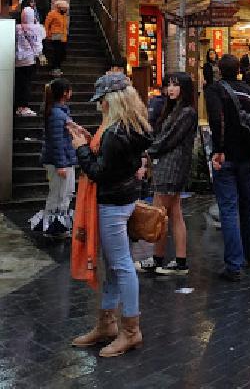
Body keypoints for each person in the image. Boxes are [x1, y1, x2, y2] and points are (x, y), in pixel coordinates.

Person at [68, 73, 152, 357]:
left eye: (102, 100)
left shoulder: (115, 132)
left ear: (112, 101)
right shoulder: (130, 126)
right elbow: (111, 162)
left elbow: (98, 172)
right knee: (116, 265)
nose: (99, 106)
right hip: (124, 200)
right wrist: (91, 143)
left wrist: (81, 149)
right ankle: (108, 324)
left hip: (112, 205)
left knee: (121, 266)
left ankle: (130, 330)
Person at [205, 54, 250, 281]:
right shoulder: (249, 91)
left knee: (229, 209)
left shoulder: (215, 90)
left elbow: (215, 120)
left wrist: (218, 149)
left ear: (219, 70)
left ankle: (233, 264)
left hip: (226, 156)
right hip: (247, 156)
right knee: (247, 205)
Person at [136, 72, 198, 276]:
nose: (170, 89)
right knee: (173, 214)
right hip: (168, 166)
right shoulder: (174, 110)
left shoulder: (187, 112)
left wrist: (147, 153)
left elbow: (169, 139)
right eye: (168, 84)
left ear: (185, 88)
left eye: (175, 85)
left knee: (160, 214)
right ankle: (177, 261)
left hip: (172, 167)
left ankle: (158, 259)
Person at [29, 78, 77, 236]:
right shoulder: (57, 114)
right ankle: (54, 228)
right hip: (59, 162)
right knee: (60, 194)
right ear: (65, 93)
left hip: (61, 160)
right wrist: (61, 165)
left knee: (63, 193)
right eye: (69, 89)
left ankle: (56, 226)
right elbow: (56, 141)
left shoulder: (59, 111)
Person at [14, 2, 43, 116]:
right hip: (30, 60)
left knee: (20, 83)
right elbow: (38, 45)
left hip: (17, 60)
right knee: (26, 84)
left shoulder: (17, 28)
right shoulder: (37, 29)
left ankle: (18, 106)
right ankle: (23, 107)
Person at [44, 0, 69, 77]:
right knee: (57, 53)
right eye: (64, 8)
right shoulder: (52, 14)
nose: (66, 10)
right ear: (60, 7)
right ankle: (55, 69)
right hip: (55, 36)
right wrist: (47, 35)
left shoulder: (63, 15)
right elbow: (47, 25)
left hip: (63, 36)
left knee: (62, 53)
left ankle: (57, 68)